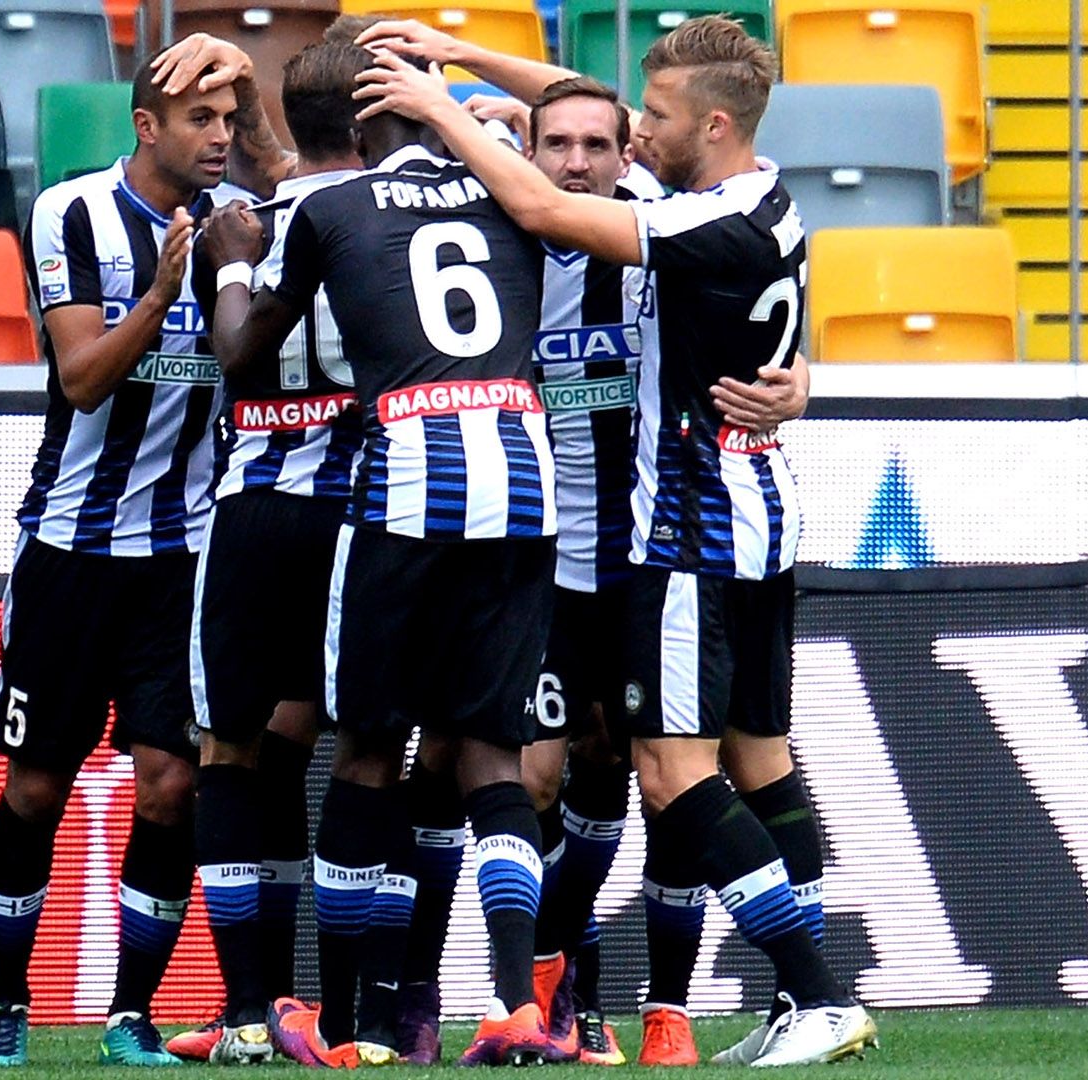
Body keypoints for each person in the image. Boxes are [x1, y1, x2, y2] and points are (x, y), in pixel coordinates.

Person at [356, 15, 873, 1067]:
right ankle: (783, 998)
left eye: (652, 124)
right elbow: (585, 122)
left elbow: (546, 200)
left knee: (673, 774)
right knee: (755, 764)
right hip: (745, 516)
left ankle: (816, 993)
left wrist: (438, 108)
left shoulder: (685, 224)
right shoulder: (758, 196)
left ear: (713, 125)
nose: (630, 140)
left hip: (688, 526)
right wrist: (470, 64)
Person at [207, 60, 561, 1067]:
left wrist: (235, 263)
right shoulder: (512, 185)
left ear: (361, 128)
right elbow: (597, 119)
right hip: (524, 475)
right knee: (492, 757)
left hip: (408, 479)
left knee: (367, 750)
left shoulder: (335, 208)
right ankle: (512, 1006)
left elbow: (241, 355)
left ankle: (349, 1018)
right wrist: (475, 103)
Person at [0, 34, 289, 1069]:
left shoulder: (245, 227)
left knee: (170, 786)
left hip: (184, 559)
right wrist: (159, 296)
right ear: (145, 126)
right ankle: (6, 1002)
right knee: (34, 790)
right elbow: (82, 381)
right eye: (201, 118)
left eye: (229, 119)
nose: (221, 136)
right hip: (70, 547)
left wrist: (247, 73)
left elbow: (298, 172)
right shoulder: (71, 214)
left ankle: (130, 1013)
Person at [175, 41, 372, 1066]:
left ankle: (252, 1009)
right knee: (362, 750)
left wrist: (234, 263)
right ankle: (356, 1011)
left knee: (234, 751)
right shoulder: (391, 214)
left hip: (253, 507)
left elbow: (231, 347)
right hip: (364, 510)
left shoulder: (256, 224)